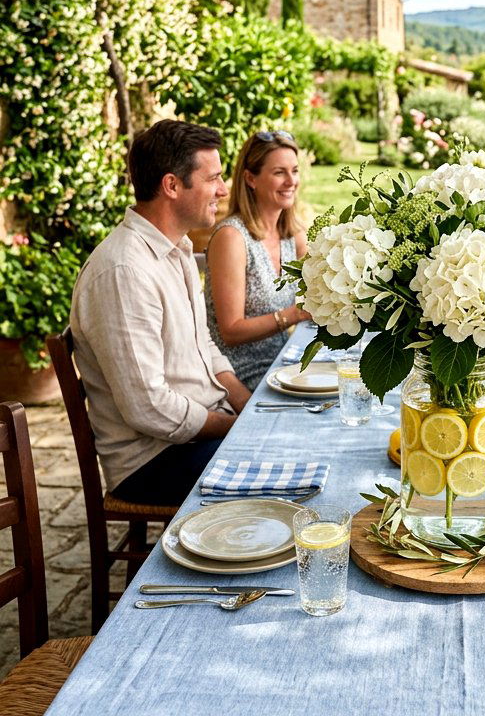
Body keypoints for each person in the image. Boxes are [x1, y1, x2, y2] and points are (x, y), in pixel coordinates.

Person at [70, 120, 250, 506]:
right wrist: (235, 428)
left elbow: (204, 346)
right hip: (152, 461)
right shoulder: (124, 270)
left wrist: (246, 406)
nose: (223, 190)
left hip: (194, 435)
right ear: (171, 185)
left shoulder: (176, 249)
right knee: (284, 466)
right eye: (213, 178)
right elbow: (148, 407)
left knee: (292, 437)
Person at [205, 130, 309, 391]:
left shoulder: (291, 234)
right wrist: (294, 314)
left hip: (283, 366)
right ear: (251, 179)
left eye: (294, 171)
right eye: (279, 173)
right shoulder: (232, 237)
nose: (291, 181)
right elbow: (230, 331)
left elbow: (323, 289)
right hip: (241, 376)